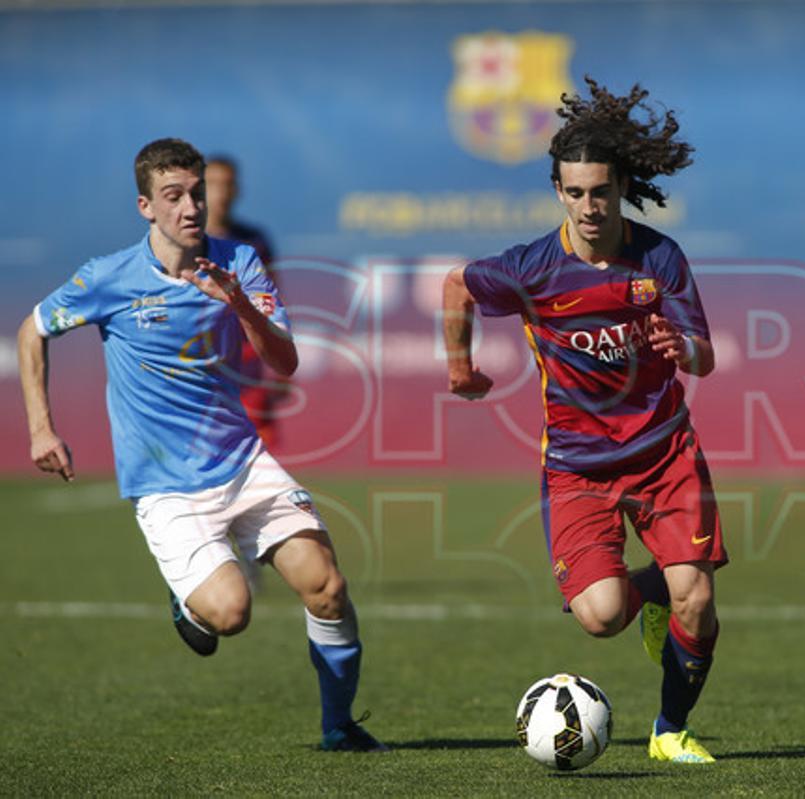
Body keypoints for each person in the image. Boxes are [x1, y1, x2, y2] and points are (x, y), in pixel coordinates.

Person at [17, 138, 385, 752]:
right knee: (230, 614)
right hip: (165, 487)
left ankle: (339, 726)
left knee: (326, 585)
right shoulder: (108, 277)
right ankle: (190, 602)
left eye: (197, 192)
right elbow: (33, 328)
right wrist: (40, 426)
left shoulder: (238, 261)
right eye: (173, 196)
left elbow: (284, 361)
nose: (190, 207)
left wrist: (237, 303)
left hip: (243, 463)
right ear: (145, 207)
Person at [442, 78, 726, 763]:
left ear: (621, 184)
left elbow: (706, 355)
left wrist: (681, 347)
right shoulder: (533, 270)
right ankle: (653, 584)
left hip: (665, 452)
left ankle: (670, 729)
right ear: (558, 191)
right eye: (575, 192)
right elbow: (457, 284)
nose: (589, 205)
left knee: (699, 601)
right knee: (600, 617)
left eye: (600, 190)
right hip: (577, 467)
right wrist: (460, 364)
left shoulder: (659, 258)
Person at [204, 154, 289, 450]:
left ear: (237, 190)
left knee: (259, 454)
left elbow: (273, 301)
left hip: (247, 363)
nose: (221, 193)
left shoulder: (254, 241)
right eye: (213, 184)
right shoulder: (183, 242)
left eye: (227, 185)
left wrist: (280, 362)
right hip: (201, 362)